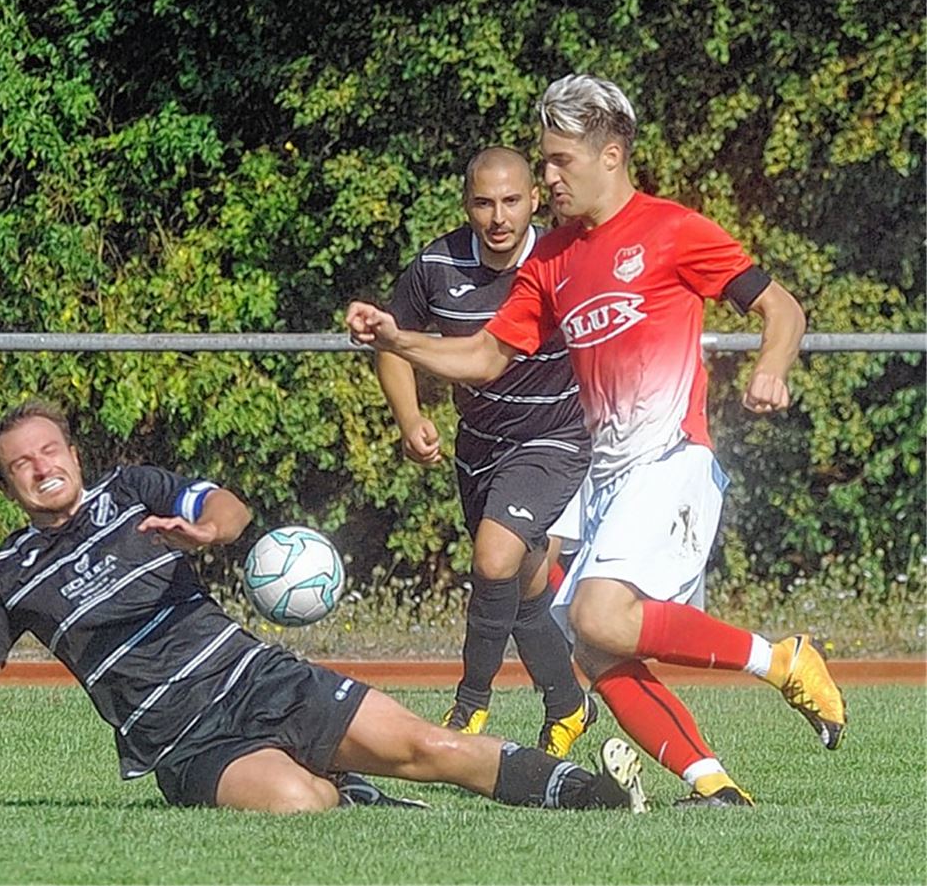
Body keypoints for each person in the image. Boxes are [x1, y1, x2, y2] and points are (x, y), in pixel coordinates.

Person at [347, 74, 848, 808]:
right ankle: (714, 788)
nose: (546, 177)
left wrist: (772, 365)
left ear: (610, 155)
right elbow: (485, 358)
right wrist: (400, 339)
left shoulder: (672, 230)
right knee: (594, 648)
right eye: (543, 162)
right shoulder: (550, 258)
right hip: (607, 474)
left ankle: (781, 658)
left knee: (597, 615)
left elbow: (782, 307)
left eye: (558, 162)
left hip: (672, 458)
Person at [0, 400, 647, 815]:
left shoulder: (131, 490)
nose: (44, 465)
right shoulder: (10, 574)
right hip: (186, 744)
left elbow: (226, 507)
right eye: (23, 463)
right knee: (299, 806)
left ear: (73, 452)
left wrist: (207, 530)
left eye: (52, 448)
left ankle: (589, 795)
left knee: (434, 748)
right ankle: (352, 792)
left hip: (258, 677)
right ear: (8, 487)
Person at [376, 146, 591, 756]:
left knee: (494, 558)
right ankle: (568, 705)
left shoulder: (563, 258)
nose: (499, 216)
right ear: (467, 204)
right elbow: (394, 342)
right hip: (480, 446)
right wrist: (410, 416)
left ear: (534, 200)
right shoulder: (436, 265)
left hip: (554, 441)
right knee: (521, 587)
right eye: (484, 202)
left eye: (512, 201)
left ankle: (468, 710)